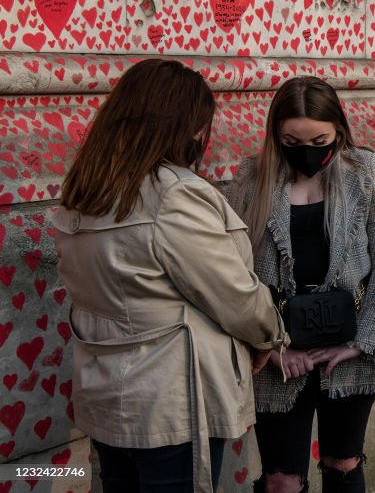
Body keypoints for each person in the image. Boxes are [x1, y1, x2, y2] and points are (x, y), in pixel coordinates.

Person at [52, 59, 288, 493]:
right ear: (182, 126)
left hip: (105, 398)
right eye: (202, 126)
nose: (204, 138)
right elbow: (234, 295)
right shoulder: (174, 195)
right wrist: (268, 336)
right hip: (169, 407)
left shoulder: (84, 192)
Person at [227, 76, 375, 493]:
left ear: (339, 129)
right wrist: (266, 349)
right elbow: (230, 271)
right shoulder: (252, 178)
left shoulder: (365, 172)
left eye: (319, 139)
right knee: (281, 480)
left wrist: (360, 342)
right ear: (275, 135)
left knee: (343, 463)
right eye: (292, 141)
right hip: (277, 352)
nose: (307, 151)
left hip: (350, 344)